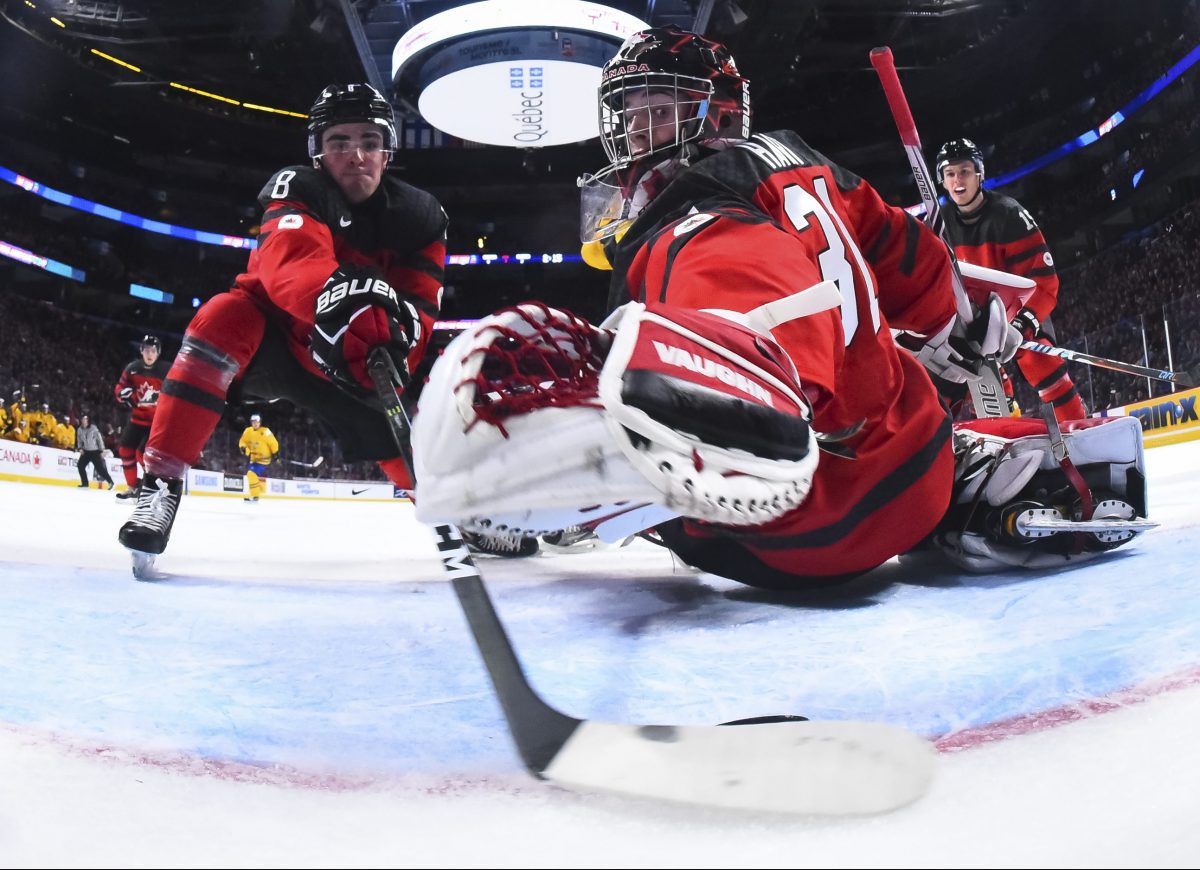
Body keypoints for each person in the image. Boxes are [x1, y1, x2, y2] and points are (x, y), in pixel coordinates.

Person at [409, 25, 1150, 585]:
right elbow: (904, 252)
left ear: (718, 117)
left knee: (631, 420)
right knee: (887, 370)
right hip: (914, 465)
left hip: (814, 528)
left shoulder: (689, 217)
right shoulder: (803, 159)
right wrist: (959, 323)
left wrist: (716, 387)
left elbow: (759, 309)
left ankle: (572, 512)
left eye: (656, 111)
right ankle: (972, 466)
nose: (634, 133)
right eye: (629, 114)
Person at [117, 83, 447, 564]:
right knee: (221, 316)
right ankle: (160, 485)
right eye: (339, 142)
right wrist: (342, 306)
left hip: (350, 360)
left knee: (408, 440)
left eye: (369, 142)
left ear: (387, 151)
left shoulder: (422, 218)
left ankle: (456, 515)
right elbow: (288, 268)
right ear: (318, 152)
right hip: (272, 340)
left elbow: (420, 313)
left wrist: (390, 342)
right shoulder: (298, 188)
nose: (355, 155)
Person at [936, 138, 1087, 422]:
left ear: (979, 173)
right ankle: (1000, 434)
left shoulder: (1008, 215)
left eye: (965, 171)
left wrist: (1022, 323)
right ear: (942, 181)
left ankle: (1078, 429)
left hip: (1016, 311)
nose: (958, 180)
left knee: (1042, 364)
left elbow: (1045, 281)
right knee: (969, 380)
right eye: (950, 173)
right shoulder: (939, 225)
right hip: (970, 321)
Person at [113, 335, 169, 499]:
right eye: (146, 350)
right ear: (141, 351)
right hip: (137, 419)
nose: (149, 354)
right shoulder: (132, 368)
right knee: (125, 450)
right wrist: (121, 396)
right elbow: (120, 387)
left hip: (156, 423)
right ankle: (132, 487)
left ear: (158, 353)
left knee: (142, 454)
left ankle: (151, 487)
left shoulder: (166, 370)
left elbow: (178, 388)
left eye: (153, 351)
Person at [238, 413, 279, 502]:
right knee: (251, 475)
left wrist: (275, 453)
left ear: (260, 422)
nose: (255, 423)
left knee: (251, 474)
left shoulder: (265, 431)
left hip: (264, 460)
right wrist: (244, 448)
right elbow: (242, 441)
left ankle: (255, 495)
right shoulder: (247, 431)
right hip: (254, 459)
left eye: (257, 422)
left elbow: (273, 443)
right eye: (253, 422)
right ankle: (255, 495)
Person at [75, 413, 115, 489]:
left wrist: (102, 449)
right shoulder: (79, 429)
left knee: (100, 469)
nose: (84, 421)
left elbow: (99, 439)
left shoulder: (93, 428)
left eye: (86, 419)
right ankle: (85, 483)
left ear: (88, 420)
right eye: (83, 419)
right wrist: (80, 448)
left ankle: (111, 482)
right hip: (86, 451)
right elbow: (79, 440)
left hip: (95, 452)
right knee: (80, 466)